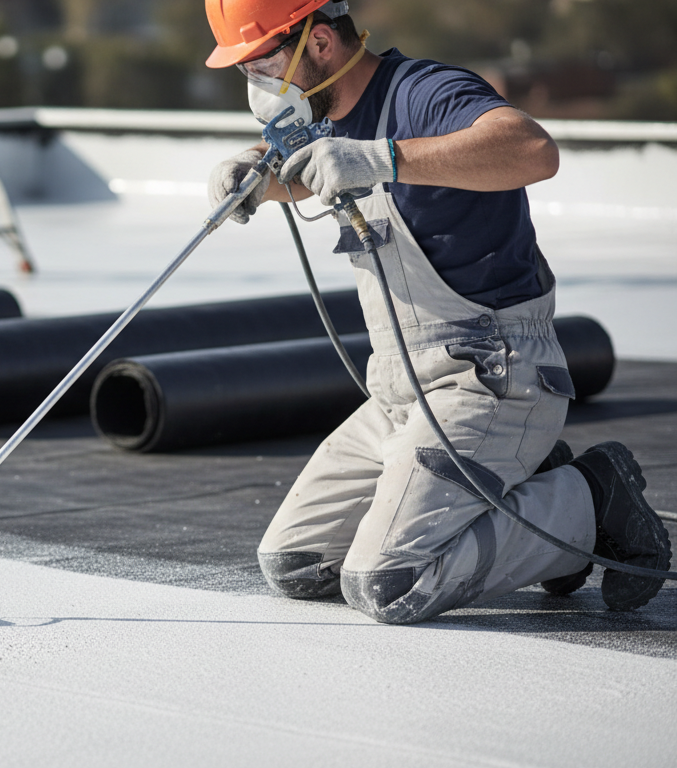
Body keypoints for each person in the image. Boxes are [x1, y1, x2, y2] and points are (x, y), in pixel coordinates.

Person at [204, 0, 671, 624]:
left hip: (493, 377)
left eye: (262, 63)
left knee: (387, 581)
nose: (257, 84)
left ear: (319, 44)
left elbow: (534, 151)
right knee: (296, 562)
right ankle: (516, 489)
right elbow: (314, 170)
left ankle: (591, 497)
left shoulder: (426, 94)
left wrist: (386, 158)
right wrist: (259, 182)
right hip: (401, 392)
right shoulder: (323, 114)